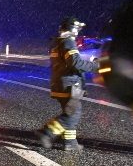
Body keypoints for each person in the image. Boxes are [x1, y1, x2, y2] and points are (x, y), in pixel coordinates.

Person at [39, 17, 100, 151]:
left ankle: (70, 142)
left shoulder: (57, 43)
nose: (78, 32)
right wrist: (95, 66)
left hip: (60, 83)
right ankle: (47, 132)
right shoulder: (68, 42)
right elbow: (75, 63)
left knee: (70, 112)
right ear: (72, 29)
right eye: (77, 29)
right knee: (73, 114)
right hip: (70, 85)